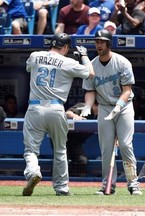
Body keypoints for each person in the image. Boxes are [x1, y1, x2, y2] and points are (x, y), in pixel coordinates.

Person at [22, 33, 95, 196]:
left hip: (35, 108)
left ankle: (33, 171)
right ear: (66, 47)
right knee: (61, 150)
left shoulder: (35, 55)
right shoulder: (68, 62)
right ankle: (62, 188)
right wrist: (83, 56)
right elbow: (90, 73)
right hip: (56, 108)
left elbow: (29, 68)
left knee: (31, 150)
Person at [80, 29, 142, 196]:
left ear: (108, 43)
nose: (98, 44)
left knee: (125, 144)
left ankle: (133, 183)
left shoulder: (122, 62)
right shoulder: (91, 65)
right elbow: (90, 91)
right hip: (104, 107)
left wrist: (118, 107)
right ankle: (107, 185)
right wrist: (88, 106)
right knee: (106, 148)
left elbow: (127, 90)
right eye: (97, 41)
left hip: (124, 106)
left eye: (102, 41)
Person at [65, 101, 98, 172]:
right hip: (62, 139)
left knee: (82, 161)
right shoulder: (84, 107)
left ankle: (73, 181)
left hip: (75, 142)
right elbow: (67, 113)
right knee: (63, 161)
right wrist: (75, 116)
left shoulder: (100, 115)